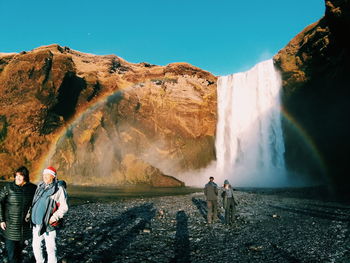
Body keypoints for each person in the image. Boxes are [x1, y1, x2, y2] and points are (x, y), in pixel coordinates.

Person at [31, 166, 68, 263]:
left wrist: (54, 217)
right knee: (36, 246)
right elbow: (34, 202)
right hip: (36, 224)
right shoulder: (40, 186)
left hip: (49, 224)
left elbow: (64, 207)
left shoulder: (59, 189)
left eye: (48, 175)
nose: (45, 176)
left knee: (51, 249)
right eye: (44, 174)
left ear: (53, 176)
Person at [0, 166, 37, 263]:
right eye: (16, 176)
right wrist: (1, 220)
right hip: (10, 227)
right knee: (11, 253)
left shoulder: (32, 188)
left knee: (19, 252)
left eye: (20, 176)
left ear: (25, 177)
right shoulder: (8, 187)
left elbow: (38, 203)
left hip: (24, 228)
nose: (17, 178)